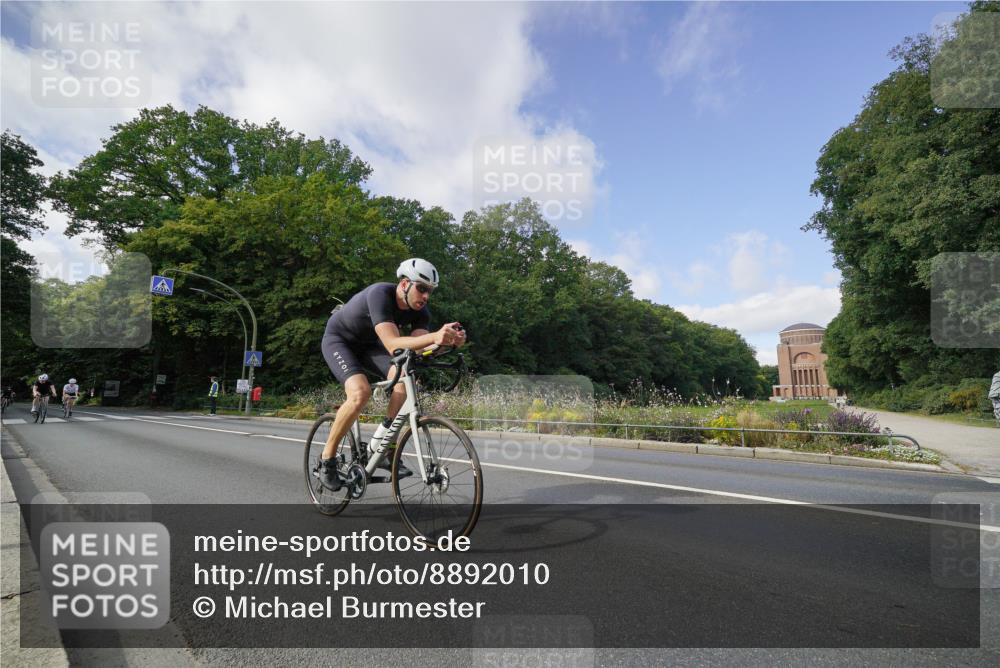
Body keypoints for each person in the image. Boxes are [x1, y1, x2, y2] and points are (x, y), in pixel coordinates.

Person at [317, 258, 466, 491]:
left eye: (430, 291)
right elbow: (393, 343)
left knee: (407, 376)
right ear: (405, 284)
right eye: (422, 288)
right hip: (340, 340)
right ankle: (327, 459)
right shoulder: (380, 294)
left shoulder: (421, 313)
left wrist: (446, 344)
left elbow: (417, 349)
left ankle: (385, 446)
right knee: (360, 393)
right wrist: (436, 336)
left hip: (369, 346)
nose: (426, 296)